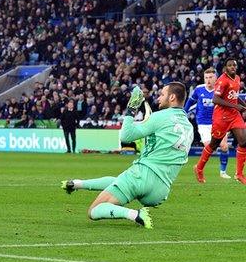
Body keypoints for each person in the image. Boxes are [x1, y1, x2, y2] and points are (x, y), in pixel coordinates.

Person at [61, 83, 194, 229]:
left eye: (162, 94)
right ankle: (77, 184)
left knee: (94, 210)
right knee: (119, 181)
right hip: (160, 190)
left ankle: (135, 215)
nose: (159, 97)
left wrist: (131, 110)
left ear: (172, 97)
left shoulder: (160, 117)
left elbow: (126, 136)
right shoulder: (189, 127)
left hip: (141, 175)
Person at [194, 58, 246, 184]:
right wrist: (235, 106)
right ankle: (199, 168)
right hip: (221, 118)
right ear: (225, 67)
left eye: (234, 65)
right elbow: (215, 99)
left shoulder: (237, 79)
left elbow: (234, 96)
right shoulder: (222, 81)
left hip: (234, 116)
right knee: (213, 145)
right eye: (230, 65)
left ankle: (239, 174)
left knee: (244, 141)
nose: (233, 67)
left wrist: (243, 105)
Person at [185, 68, 231, 179]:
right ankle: (198, 167)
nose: (208, 80)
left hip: (218, 121)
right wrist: (183, 112)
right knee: (210, 147)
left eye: (211, 77)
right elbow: (190, 101)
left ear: (216, 78)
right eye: (206, 78)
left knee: (224, 146)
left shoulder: (221, 89)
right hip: (203, 123)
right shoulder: (199, 89)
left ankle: (223, 172)